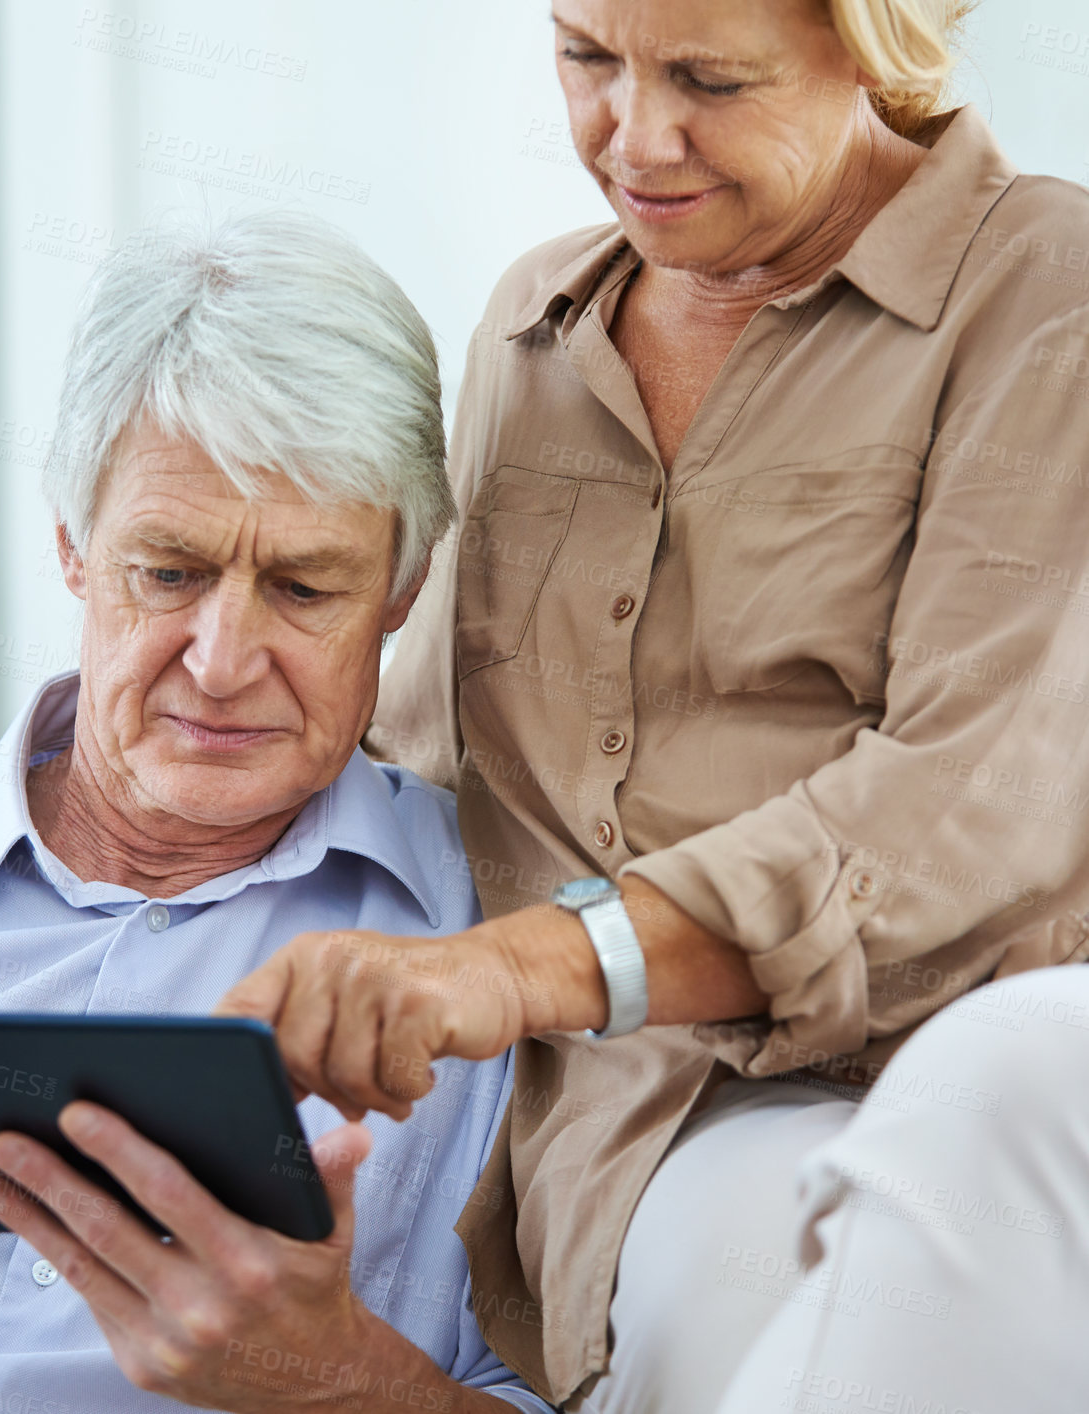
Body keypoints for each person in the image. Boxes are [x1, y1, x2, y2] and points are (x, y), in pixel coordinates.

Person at [215, 1, 1089, 1409]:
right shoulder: (534, 327)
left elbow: (972, 805)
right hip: (623, 1132)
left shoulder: (1047, 284)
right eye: (585, 57)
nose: (633, 136)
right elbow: (419, 748)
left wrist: (514, 969)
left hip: (921, 1079)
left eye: (706, 77)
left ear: (879, 46)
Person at [0, 210, 550, 1413]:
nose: (224, 658)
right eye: (169, 571)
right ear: (74, 546)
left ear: (400, 591)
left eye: (303, 586)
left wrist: (340, 1382)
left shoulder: (499, 957)